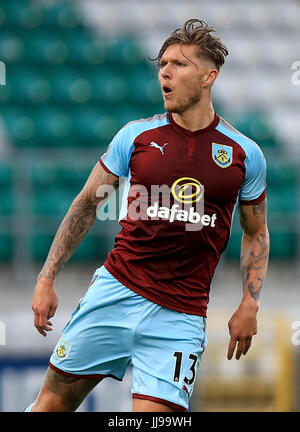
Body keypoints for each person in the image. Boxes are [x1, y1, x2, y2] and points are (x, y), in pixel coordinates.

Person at [25, 19, 269, 412]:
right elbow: (87, 204)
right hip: (114, 293)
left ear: (210, 76)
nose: (165, 73)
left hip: (180, 318)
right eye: (162, 65)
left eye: (178, 64)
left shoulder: (244, 153)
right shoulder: (135, 137)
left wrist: (250, 303)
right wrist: (46, 277)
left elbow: (256, 232)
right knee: (50, 406)